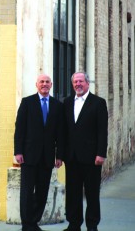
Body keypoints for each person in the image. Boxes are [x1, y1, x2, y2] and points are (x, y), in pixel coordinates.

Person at [14, 74, 64, 231]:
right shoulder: (27, 103)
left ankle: (34, 222)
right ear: (36, 84)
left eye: (47, 82)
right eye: (41, 82)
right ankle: (26, 224)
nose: (44, 84)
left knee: (42, 192)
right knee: (27, 192)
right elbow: (20, 129)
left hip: (47, 157)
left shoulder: (57, 105)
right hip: (28, 155)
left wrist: (59, 155)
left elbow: (60, 133)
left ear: (51, 85)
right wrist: (18, 151)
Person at [63, 72, 108, 231]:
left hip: (92, 158)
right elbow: (64, 131)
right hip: (72, 157)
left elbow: (102, 131)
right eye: (75, 82)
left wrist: (101, 153)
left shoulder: (98, 103)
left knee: (92, 193)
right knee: (73, 193)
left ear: (87, 83)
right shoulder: (67, 102)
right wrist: (61, 155)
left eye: (81, 81)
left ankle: (92, 225)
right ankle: (74, 224)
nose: (78, 84)